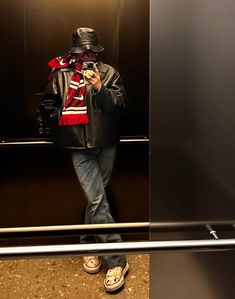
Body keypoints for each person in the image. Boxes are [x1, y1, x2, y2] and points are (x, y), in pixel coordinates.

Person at [37, 27, 129, 292]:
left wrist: (99, 88)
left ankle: (88, 242)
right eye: (82, 52)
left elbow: (121, 105)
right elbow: (47, 106)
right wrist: (63, 118)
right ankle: (117, 260)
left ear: (97, 52)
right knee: (98, 199)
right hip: (78, 147)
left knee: (94, 199)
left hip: (107, 144)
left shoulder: (109, 73)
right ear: (74, 52)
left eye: (91, 52)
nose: (87, 57)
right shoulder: (61, 73)